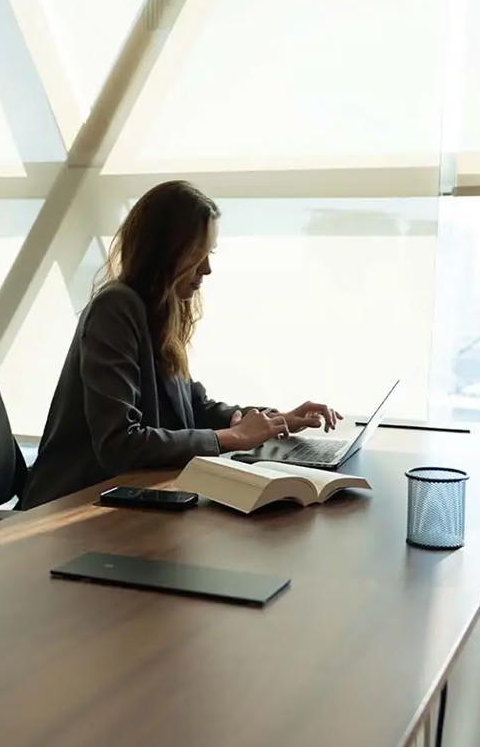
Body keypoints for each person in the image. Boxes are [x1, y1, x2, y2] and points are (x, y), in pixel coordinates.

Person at [22, 180, 341, 508]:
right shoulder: (116, 308)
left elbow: (194, 408)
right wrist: (232, 438)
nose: (207, 268)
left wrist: (273, 420)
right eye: (198, 253)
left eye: (210, 253)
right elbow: (120, 444)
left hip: (128, 496)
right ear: (164, 251)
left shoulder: (161, 312)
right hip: (71, 506)